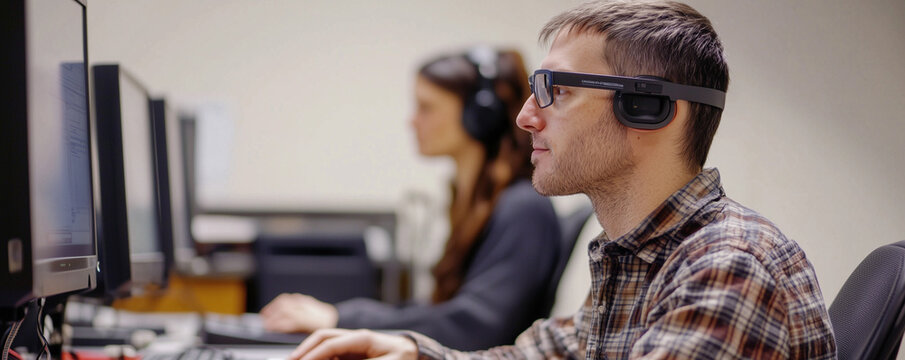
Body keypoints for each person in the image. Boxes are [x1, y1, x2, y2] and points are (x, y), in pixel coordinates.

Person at [286, 1, 838, 359]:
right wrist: (408, 351)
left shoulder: (726, 266)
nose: (526, 116)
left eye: (558, 90)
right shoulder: (635, 256)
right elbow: (541, 354)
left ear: (647, 108)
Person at [259, 47, 562, 351]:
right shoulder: (476, 203)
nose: (412, 121)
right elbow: (441, 310)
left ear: (478, 116)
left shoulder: (523, 208)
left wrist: (339, 318)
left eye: (426, 107)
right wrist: (343, 317)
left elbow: (472, 326)